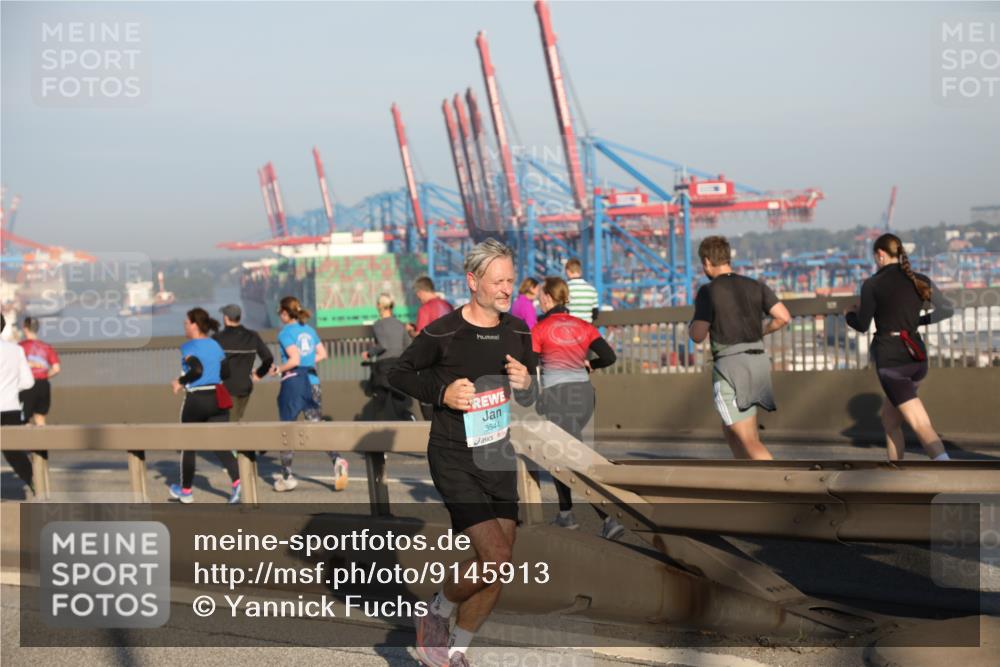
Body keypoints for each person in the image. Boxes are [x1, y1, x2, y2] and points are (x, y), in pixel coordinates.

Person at [389, 238, 536, 667]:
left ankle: (456, 651)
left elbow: (528, 392)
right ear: (473, 281)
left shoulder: (518, 331)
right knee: (497, 555)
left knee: (499, 566)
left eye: (510, 280)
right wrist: (442, 392)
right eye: (498, 281)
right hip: (453, 455)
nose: (507, 289)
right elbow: (399, 372)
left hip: (497, 455)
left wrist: (528, 383)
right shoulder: (443, 331)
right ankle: (437, 609)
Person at [845, 233, 955, 461]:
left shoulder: (872, 284)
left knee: (919, 423)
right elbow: (947, 309)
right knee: (890, 421)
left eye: (875, 257)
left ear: (881, 255)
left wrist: (848, 315)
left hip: (892, 361)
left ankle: (947, 469)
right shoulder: (918, 279)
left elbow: (862, 325)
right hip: (917, 358)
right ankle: (895, 474)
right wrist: (919, 321)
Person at [532, 277, 623, 539]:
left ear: (549, 298)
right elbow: (609, 356)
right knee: (561, 454)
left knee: (570, 457)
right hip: (584, 395)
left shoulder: (541, 328)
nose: (539, 300)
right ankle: (565, 514)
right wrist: (590, 365)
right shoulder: (584, 326)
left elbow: (528, 364)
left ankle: (608, 518)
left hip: (559, 397)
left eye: (541, 296)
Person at [688, 236, 791, 460]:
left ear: (706, 262)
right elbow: (783, 317)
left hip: (730, 368)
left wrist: (692, 325)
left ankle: (778, 482)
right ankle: (749, 478)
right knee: (733, 430)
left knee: (747, 439)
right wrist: (761, 332)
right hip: (758, 363)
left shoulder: (709, 291)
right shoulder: (755, 285)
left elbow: (698, 335)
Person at [271, 296, 348, 492]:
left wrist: (279, 369)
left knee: (286, 429)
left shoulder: (285, 333)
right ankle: (337, 459)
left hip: (295, 384)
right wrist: (309, 363)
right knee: (316, 425)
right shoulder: (309, 330)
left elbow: (294, 359)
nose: (279, 315)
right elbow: (323, 354)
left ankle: (287, 475)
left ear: (286, 313)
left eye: (280, 312)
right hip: (313, 382)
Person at [169, 308, 241, 504]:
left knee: (188, 445)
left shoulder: (188, 346)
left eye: (186, 323)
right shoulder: (215, 345)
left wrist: (180, 381)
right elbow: (225, 372)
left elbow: (197, 369)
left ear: (194, 324)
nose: (184, 326)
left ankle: (185, 491)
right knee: (220, 444)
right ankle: (237, 483)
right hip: (217, 397)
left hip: (197, 399)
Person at [213, 304, 274, 422]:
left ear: (225, 318)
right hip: (246, 387)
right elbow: (268, 359)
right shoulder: (252, 336)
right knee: (236, 419)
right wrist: (259, 374)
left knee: (229, 424)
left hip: (226, 388)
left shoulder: (218, 338)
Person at [362, 293, 413, 420]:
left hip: (384, 368)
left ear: (380, 306)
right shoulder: (400, 324)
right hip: (399, 367)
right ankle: (411, 422)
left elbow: (382, 346)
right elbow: (409, 345)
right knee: (399, 405)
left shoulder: (378, 324)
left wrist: (368, 353)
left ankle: (377, 435)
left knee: (379, 405)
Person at [1, 314, 36, 494]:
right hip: (10, 407)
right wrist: (10, 387)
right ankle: (35, 483)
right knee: (14, 453)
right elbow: (28, 382)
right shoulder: (16, 350)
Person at [18, 316, 60, 426]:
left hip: (27, 385)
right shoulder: (47, 347)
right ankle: (44, 442)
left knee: (23, 419)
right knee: (40, 418)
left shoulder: (20, 347)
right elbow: (56, 369)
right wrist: (45, 376)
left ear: (25, 328)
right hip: (43, 385)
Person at [565, 258, 599, 323]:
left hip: (571, 326)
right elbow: (595, 313)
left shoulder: (566, 288)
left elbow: (565, 308)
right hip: (587, 326)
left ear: (568, 271)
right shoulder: (592, 289)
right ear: (580, 271)